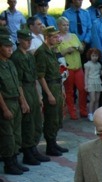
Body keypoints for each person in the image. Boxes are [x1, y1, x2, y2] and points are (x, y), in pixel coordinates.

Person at [11, 29, 50, 167]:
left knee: (36, 121)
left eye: (30, 40)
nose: (28, 42)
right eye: (26, 40)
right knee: (27, 123)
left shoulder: (29, 56)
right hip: (24, 90)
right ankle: (28, 151)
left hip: (32, 89)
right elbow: (18, 82)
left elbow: (33, 78)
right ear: (19, 40)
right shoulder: (16, 57)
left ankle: (33, 148)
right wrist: (23, 101)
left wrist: (38, 95)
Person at [35, 26, 68, 157]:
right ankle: (50, 144)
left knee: (57, 116)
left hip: (57, 85)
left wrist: (62, 88)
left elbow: (57, 72)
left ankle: (54, 142)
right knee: (51, 117)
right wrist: (48, 94)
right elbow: (41, 75)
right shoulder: (42, 52)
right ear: (47, 37)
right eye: (54, 37)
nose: (56, 39)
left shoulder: (51, 50)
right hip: (50, 87)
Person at [0, 34, 29, 176]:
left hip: (15, 101)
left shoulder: (10, 63)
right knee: (8, 135)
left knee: (17, 132)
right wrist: (4, 109)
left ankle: (15, 160)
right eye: (6, 47)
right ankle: (8, 163)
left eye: (11, 46)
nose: (10, 49)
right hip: (6, 102)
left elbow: (18, 84)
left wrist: (23, 101)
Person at [58, 16, 88, 121]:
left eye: (67, 25)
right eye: (63, 25)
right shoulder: (57, 38)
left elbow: (81, 49)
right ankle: (72, 112)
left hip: (78, 67)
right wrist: (66, 50)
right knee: (69, 91)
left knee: (83, 89)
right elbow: (57, 54)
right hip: (67, 68)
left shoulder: (74, 36)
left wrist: (80, 48)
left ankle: (83, 110)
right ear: (59, 26)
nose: (66, 27)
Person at [84, 48, 102, 122]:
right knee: (92, 99)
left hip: (98, 81)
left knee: (97, 99)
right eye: (93, 55)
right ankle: (90, 113)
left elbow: (101, 73)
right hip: (91, 81)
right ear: (90, 56)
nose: (94, 57)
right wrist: (86, 85)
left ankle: (96, 113)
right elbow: (86, 75)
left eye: (96, 56)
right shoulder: (87, 65)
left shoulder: (99, 64)